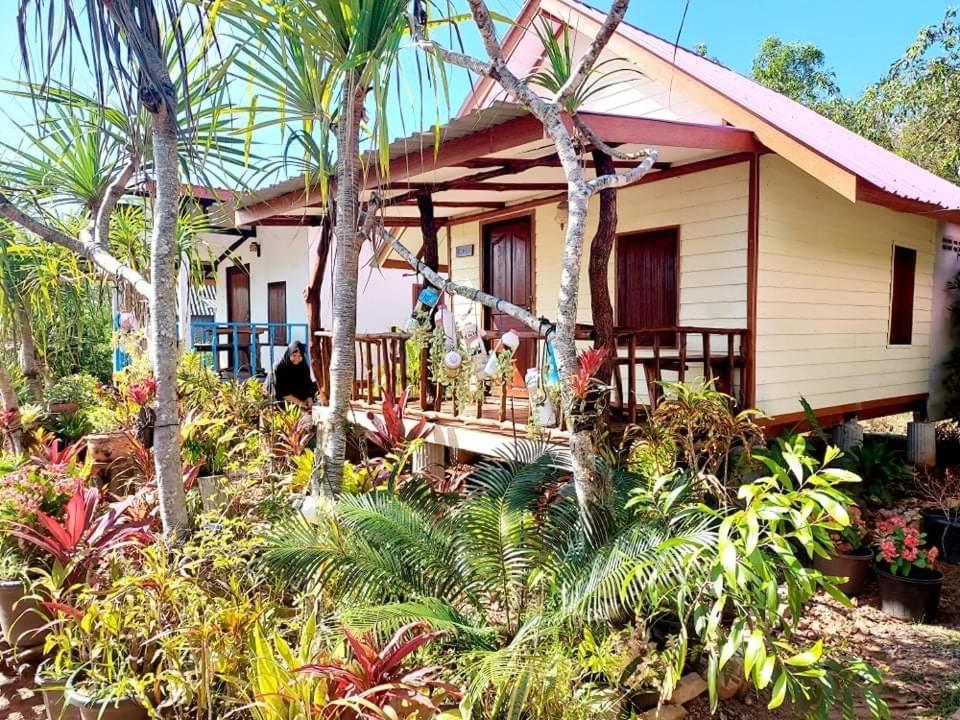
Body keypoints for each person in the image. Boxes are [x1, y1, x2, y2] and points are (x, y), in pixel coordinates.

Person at [268, 340, 316, 410]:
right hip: (280, 399)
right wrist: (301, 403)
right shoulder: (279, 367)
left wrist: (309, 397)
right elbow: (282, 392)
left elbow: (307, 383)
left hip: (297, 399)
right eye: (294, 355)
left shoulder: (303, 366)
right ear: (289, 354)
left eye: (299, 356)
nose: (297, 358)